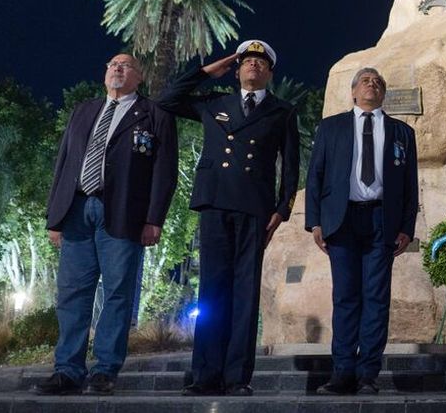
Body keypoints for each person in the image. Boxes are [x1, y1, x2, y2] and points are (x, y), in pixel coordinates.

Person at [157, 40, 299, 397]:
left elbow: (291, 165)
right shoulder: (215, 103)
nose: (253, 66)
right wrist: (205, 71)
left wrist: (282, 209)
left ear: (270, 72)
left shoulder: (282, 111)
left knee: (245, 293)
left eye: (261, 62)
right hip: (216, 202)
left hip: (255, 207)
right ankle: (205, 374)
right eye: (247, 61)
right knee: (212, 291)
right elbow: (167, 100)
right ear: (236, 69)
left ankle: (237, 376)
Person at [35, 54, 177, 395]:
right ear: (105, 74)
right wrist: (54, 216)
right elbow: (64, 162)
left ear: (139, 77)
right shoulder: (84, 111)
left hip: (124, 215)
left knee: (117, 292)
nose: (117, 68)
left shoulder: (154, 115)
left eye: (126, 65)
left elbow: (164, 171)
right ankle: (67, 370)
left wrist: (154, 219)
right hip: (77, 211)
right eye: (113, 64)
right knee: (72, 294)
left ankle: (105, 370)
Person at [306, 67, 419, 396]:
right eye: (366, 81)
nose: (373, 85)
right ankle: (342, 372)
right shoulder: (331, 127)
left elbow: (409, 186)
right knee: (345, 298)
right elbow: (316, 176)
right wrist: (315, 221)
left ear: (383, 94)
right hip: (342, 222)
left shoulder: (402, 132)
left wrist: (406, 228)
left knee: (376, 299)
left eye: (378, 82)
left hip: (381, 223)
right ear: (354, 92)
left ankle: (368, 373)